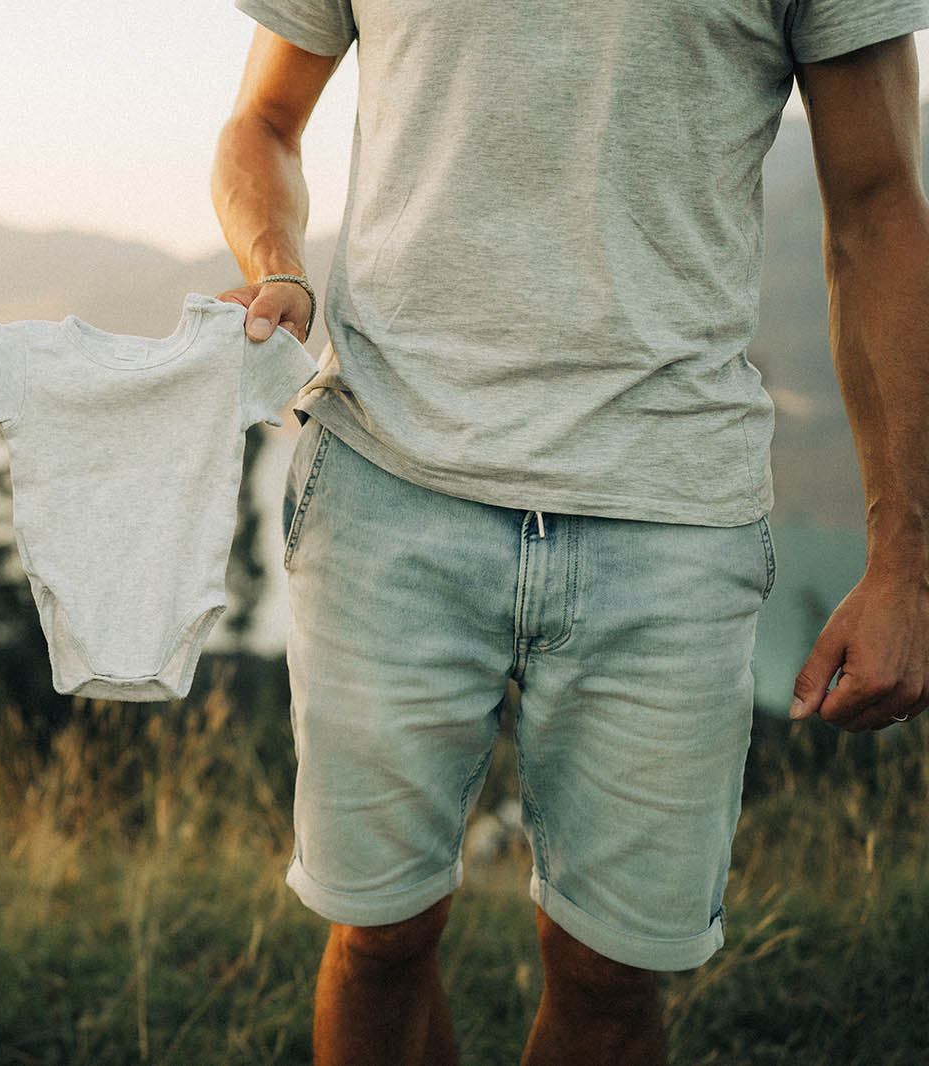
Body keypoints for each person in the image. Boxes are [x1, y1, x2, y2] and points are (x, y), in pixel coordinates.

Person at [211, 2, 929, 1063]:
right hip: (386, 481)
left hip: (670, 514)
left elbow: (876, 204)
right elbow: (263, 119)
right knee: (380, 935)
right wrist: (276, 261)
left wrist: (905, 561)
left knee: (608, 971)